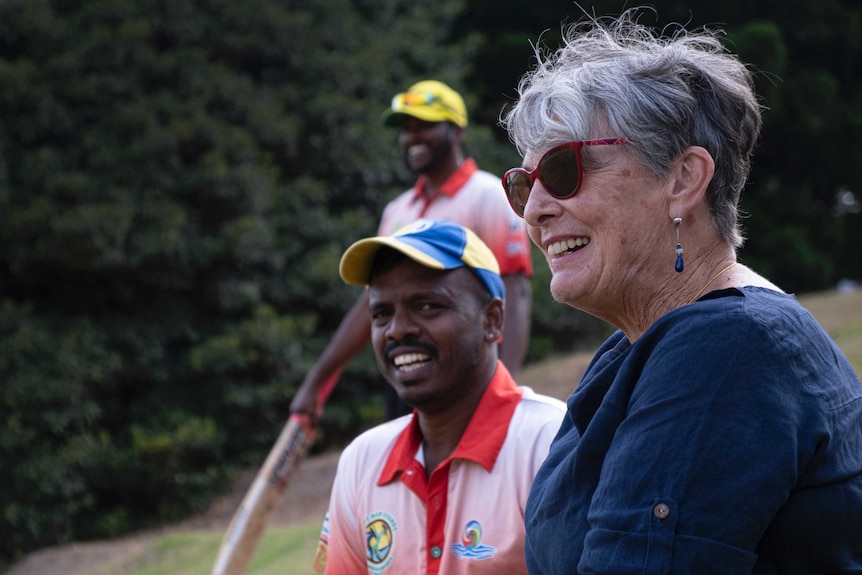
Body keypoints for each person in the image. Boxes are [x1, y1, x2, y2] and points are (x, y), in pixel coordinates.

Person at [499, 9, 862, 574]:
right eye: (524, 185)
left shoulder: (727, 349)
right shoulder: (637, 350)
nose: (538, 209)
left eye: (565, 170)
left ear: (682, 180)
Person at [310, 219, 565, 574]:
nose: (398, 329)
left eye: (426, 306)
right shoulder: (362, 462)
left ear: (492, 320)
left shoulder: (552, 442)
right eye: (382, 314)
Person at [291, 79, 533, 422]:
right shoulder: (397, 211)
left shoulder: (488, 195)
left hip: (470, 373)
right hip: (409, 375)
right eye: (406, 128)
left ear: (457, 130)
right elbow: (369, 306)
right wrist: (317, 380)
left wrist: (502, 387)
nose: (413, 137)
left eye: (426, 125)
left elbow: (515, 293)